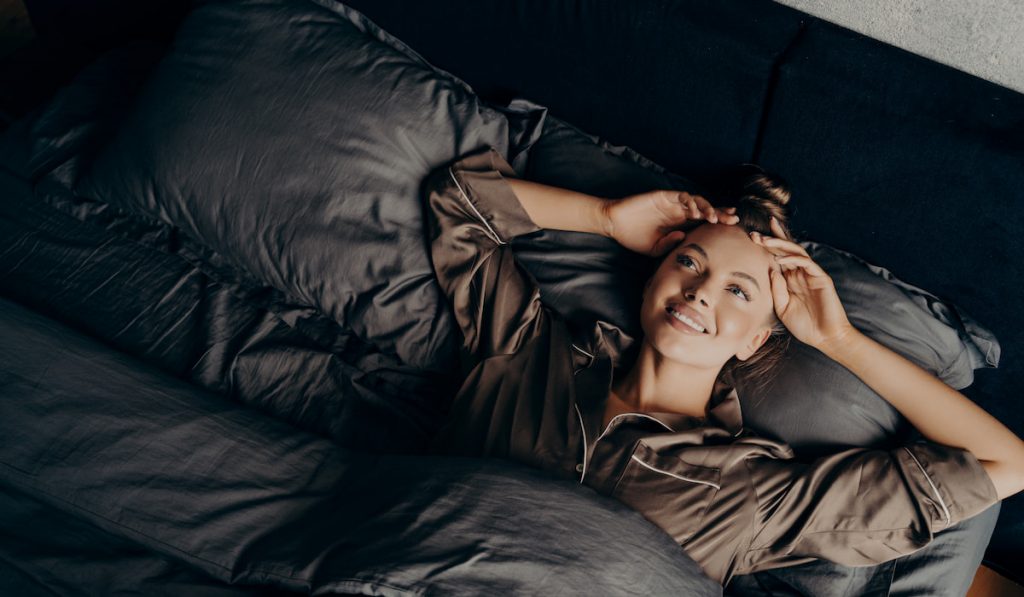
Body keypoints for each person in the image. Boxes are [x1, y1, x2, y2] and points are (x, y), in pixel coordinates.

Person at [422, 147, 1024, 585]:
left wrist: (840, 340)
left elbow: (1009, 462)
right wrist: (606, 217)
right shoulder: (528, 350)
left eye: (739, 291)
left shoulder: (750, 492)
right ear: (654, 272)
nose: (702, 291)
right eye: (689, 262)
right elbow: (460, 203)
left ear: (757, 340)